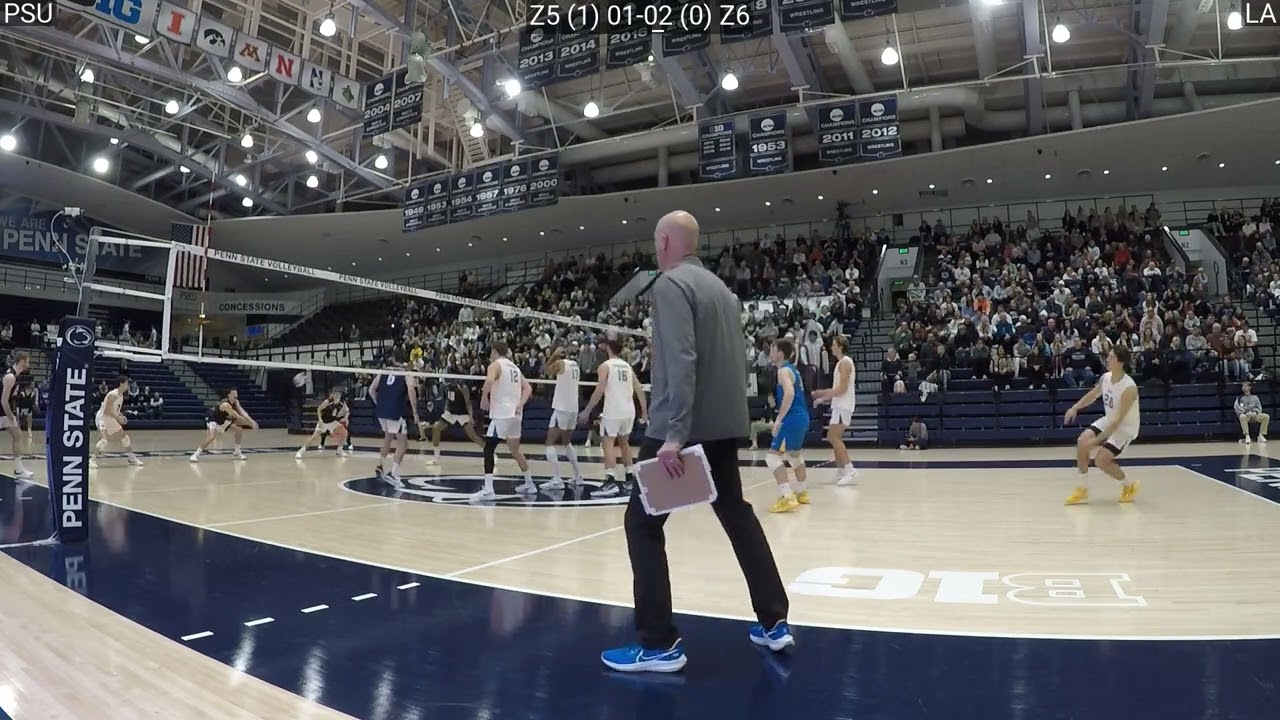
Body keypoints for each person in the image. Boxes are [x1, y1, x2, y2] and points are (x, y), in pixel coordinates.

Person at [601, 210, 791, 673]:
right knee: (737, 515)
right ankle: (774, 622)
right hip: (726, 426)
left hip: (681, 431)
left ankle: (658, 642)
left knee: (641, 525)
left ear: (666, 241)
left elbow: (682, 359)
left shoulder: (670, 286)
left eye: (654, 241)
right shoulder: (723, 293)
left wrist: (674, 435)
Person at [1064, 346, 1140, 504]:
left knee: (1101, 461)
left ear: (1120, 363)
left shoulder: (1129, 388)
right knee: (1082, 442)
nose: (1107, 359)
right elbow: (1093, 394)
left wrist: (1097, 440)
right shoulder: (1105, 378)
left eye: (1111, 357)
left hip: (1125, 428)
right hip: (1110, 418)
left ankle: (1128, 485)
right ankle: (1082, 488)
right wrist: (1075, 408)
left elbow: (1117, 421)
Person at [580, 338, 648, 498]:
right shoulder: (627, 366)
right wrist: (644, 411)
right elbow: (639, 388)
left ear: (608, 349)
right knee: (624, 443)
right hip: (629, 410)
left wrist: (587, 409)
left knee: (608, 443)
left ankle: (610, 481)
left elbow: (600, 389)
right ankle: (630, 478)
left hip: (614, 410)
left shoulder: (605, 366)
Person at [471, 340, 534, 503]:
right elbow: (528, 388)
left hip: (502, 413)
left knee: (488, 448)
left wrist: (484, 399)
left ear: (494, 351)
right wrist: (520, 404)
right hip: (515, 414)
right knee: (515, 450)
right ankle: (530, 483)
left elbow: (489, 381)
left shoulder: (495, 365)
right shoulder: (514, 367)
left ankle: (488, 490)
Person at [765, 337, 811, 513]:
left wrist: (778, 419)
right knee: (794, 455)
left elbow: (789, 394)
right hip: (802, 417)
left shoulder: (783, 371)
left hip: (791, 419)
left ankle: (787, 496)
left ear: (780, 353)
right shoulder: (794, 370)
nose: (770, 352)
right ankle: (802, 492)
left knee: (772, 457)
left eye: (773, 349)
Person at [811, 335, 857, 486]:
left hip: (843, 405)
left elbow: (841, 389)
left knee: (834, 437)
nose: (832, 347)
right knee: (833, 437)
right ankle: (840, 471)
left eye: (834, 344)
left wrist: (822, 394)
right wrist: (823, 397)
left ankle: (849, 469)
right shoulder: (840, 363)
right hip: (839, 404)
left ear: (841, 346)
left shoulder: (845, 363)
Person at [368, 358, 419, 488]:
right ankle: (394, 474)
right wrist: (415, 412)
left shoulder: (384, 371)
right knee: (403, 443)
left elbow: (371, 390)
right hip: (396, 412)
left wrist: (378, 403)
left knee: (388, 438)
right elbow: (411, 391)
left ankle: (380, 466)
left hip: (382, 411)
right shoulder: (407, 374)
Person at [541, 347, 584, 491]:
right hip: (573, 407)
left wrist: (553, 355)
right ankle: (578, 476)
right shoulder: (576, 366)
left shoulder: (561, 363)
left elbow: (546, 371)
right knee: (566, 442)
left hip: (562, 407)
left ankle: (557, 479)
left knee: (550, 442)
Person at [190, 389, 257, 462]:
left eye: (236, 393)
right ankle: (195, 454)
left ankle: (237, 450)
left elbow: (242, 411)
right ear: (229, 395)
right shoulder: (225, 404)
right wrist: (250, 424)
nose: (236, 395)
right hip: (214, 420)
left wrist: (251, 421)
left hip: (224, 421)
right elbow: (236, 415)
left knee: (239, 430)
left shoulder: (236, 402)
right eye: (234, 394)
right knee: (211, 437)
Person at [427, 380, 484, 462]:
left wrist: (471, 416)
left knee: (473, 436)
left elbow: (468, 402)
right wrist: (445, 410)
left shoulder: (463, 387)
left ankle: (490, 453)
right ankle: (436, 456)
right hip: (451, 414)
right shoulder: (448, 387)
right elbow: (448, 400)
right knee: (436, 428)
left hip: (462, 414)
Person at [92, 375, 142, 466]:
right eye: (126, 383)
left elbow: (116, 411)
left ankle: (131, 458)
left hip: (110, 417)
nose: (128, 385)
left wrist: (121, 416)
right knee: (105, 440)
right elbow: (107, 411)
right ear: (121, 384)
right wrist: (118, 418)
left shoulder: (121, 396)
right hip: (102, 417)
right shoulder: (113, 395)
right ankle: (92, 460)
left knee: (125, 437)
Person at [1, 352, 33, 478]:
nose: (29, 364)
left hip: (4, 411)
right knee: (17, 437)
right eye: (28, 361)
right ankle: (19, 470)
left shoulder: (16, 376)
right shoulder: (10, 377)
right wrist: (10, 416)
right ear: (23, 361)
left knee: (17, 436)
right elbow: (3, 400)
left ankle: (19, 470)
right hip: (2, 411)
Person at [296, 388, 349, 458]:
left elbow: (347, 411)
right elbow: (319, 409)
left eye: (338, 394)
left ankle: (340, 449)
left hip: (332, 422)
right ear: (332, 395)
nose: (337, 396)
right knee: (313, 438)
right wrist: (320, 420)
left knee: (344, 433)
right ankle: (301, 451)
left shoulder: (342, 403)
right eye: (335, 394)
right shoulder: (327, 402)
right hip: (324, 422)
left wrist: (346, 418)